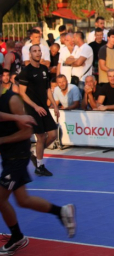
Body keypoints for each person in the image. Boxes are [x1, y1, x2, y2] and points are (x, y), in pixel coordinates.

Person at [0, 88, 76, 253]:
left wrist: (2, 140)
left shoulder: (12, 100)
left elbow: (27, 132)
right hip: (8, 157)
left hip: (17, 157)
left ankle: (17, 237)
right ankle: (61, 211)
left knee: (0, 199)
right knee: (23, 200)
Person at [17, 45, 59, 177]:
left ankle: (36, 155)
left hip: (44, 107)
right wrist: (35, 106)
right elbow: (22, 93)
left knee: (53, 135)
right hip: (33, 108)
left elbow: (48, 90)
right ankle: (40, 166)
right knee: (41, 137)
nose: (37, 53)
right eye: (34, 51)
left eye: (39, 51)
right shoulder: (26, 71)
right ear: (30, 54)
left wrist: (54, 105)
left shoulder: (44, 69)